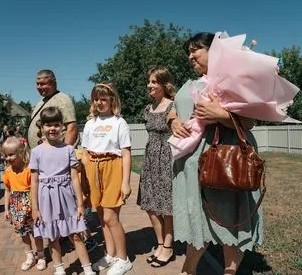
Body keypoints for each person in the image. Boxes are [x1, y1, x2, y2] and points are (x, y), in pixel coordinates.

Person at [168, 32, 262, 275]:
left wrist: (220, 115)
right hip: (192, 164)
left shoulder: (234, 79)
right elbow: (173, 108)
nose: (190, 56)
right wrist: (173, 121)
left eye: (195, 50)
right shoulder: (190, 84)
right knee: (198, 219)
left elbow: (249, 121)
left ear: (216, 50)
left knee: (229, 218)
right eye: (187, 52)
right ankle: (189, 270)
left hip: (226, 161)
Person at [30, 106, 95, 275]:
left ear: (62, 127)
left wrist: (80, 204)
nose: (52, 128)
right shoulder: (36, 152)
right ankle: (59, 268)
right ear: (42, 127)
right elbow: (34, 181)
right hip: (46, 198)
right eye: (48, 125)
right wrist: (35, 208)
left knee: (75, 233)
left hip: (66, 196)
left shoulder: (68, 150)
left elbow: (74, 178)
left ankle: (87, 268)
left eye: (56, 125)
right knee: (52, 236)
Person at [82, 82, 133, 275]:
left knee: (112, 217)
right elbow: (85, 152)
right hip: (93, 168)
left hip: (113, 167)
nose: (99, 102)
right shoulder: (89, 123)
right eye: (96, 99)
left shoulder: (119, 122)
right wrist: (86, 178)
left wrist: (126, 182)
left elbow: (126, 153)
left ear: (113, 100)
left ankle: (123, 258)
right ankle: (110, 254)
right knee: (102, 216)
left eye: (103, 98)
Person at [136, 66, 175, 267]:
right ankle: (160, 243)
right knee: (150, 205)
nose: (150, 85)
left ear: (164, 84)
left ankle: (168, 246)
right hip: (150, 160)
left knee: (166, 206)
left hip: (167, 160)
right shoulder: (148, 108)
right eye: (149, 81)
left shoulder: (173, 106)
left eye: (154, 81)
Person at [1, 137, 46, 271]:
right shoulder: (8, 172)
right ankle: (29, 256)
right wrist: (6, 209)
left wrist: (36, 206)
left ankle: (41, 255)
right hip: (16, 204)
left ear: (21, 152)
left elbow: (34, 188)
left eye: (11, 154)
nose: (8, 158)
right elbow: (7, 190)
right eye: (5, 155)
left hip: (30, 202)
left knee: (36, 231)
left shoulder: (29, 169)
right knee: (23, 233)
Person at [27, 69, 79, 149]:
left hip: (57, 153)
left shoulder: (62, 99)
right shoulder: (41, 101)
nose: (39, 87)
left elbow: (71, 128)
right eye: (37, 84)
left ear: (53, 84)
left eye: (43, 84)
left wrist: (65, 152)